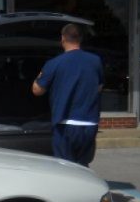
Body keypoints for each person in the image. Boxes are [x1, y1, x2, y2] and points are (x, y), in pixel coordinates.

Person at [32, 23, 103, 166]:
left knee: (66, 168)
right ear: (80, 39)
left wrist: (40, 75)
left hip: (65, 125)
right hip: (90, 124)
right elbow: (99, 87)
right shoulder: (96, 61)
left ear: (63, 38)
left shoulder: (54, 63)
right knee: (83, 167)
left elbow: (37, 90)